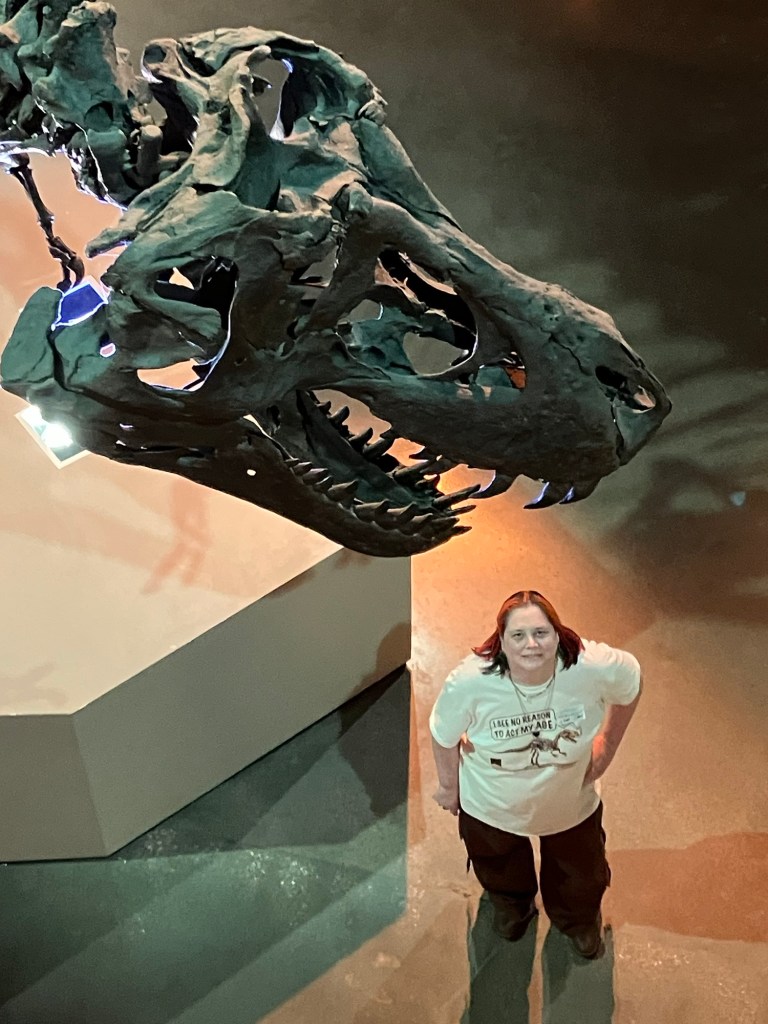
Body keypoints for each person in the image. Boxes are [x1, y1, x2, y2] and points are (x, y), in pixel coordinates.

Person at [429, 590, 642, 958]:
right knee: (498, 864)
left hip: (569, 799)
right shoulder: (470, 681)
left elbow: (631, 683)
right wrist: (450, 787)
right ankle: (512, 907)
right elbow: (442, 735)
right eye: (519, 635)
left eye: (541, 633)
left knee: (579, 871)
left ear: (557, 634)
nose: (531, 645)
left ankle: (577, 920)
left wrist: (607, 746)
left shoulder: (590, 665)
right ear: (501, 640)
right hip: (491, 803)